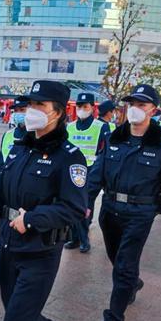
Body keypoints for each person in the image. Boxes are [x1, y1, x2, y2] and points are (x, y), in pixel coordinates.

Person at [0, 80, 87, 321]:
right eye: (30, 105)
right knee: (16, 311)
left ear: (58, 113)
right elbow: (2, 196)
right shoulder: (18, 148)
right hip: (9, 247)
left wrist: (34, 219)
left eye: (40, 106)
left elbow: (74, 208)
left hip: (40, 254)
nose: (32, 111)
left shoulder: (70, 157)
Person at [87, 84, 161, 321]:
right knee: (115, 257)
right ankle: (132, 283)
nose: (135, 109)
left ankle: (113, 317)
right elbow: (96, 174)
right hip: (110, 210)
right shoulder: (114, 138)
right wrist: (85, 203)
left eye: (141, 105)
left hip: (140, 213)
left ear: (153, 110)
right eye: (132, 104)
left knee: (124, 264)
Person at [0, 98, 28, 289]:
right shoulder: (8, 136)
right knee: (2, 235)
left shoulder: (37, 136)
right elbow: (0, 167)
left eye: (23, 109)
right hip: (5, 194)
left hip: (25, 198)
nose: (19, 113)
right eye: (16, 110)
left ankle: (18, 275)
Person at [64, 92, 109, 253]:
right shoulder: (69, 127)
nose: (81, 109)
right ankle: (75, 238)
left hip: (92, 171)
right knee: (72, 204)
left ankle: (83, 239)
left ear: (92, 107)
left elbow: (105, 152)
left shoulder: (101, 127)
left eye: (85, 106)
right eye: (79, 106)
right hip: (72, 171)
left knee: (84, 206)